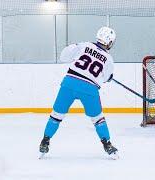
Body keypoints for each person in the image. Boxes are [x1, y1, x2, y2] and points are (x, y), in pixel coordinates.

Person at [39, 26, 118, 159]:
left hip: (69, 83)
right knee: (98, 118)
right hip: (89, 88)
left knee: (56, 115)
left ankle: (45, 140)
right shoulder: (108, 59)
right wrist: (108, 77)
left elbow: (64, 56)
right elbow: (104, 77)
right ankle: (107, 144)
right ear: (110, 42)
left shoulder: (84, 45)